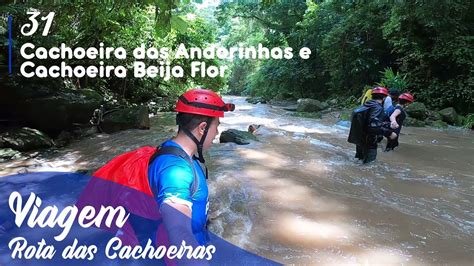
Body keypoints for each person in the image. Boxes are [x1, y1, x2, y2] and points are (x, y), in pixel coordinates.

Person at [147, 88, 234, 248]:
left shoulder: (175, 150)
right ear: (202, 128)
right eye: (216, 126)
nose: (217, 133)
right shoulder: (176, 170)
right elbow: (179, 235)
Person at [349, 87, 397, 164]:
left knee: (359, 162)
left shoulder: (366, 105)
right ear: (384, 97)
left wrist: (387, 125)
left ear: (372, 96)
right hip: (369, 142)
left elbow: (368, 122)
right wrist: (389, 133)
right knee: (369, 166)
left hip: (360, 140)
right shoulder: (377, 107)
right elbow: (373, 126)